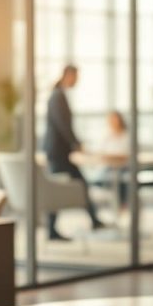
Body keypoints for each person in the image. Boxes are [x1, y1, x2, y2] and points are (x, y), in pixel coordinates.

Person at [42, 65, 104, 240]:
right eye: (76, 77)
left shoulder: (58, 94)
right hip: (57, 152)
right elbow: (63, 124)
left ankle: (92, 219)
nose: (77, 81)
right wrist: (76, 143)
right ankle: (53, 229)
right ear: (68, 75)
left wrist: (75, 144)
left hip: (60, 151)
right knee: (61, 187)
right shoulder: (57, 96)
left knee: (76, 184)